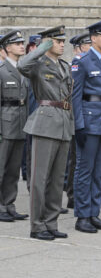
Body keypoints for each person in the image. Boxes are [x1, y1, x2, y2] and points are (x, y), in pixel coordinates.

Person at [17, 26, 74, 240]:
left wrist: (72, 125)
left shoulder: (64, 66)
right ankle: (37, 225)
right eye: (57, 41)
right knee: (39, 179)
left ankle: (51, 222)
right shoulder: (39, 65)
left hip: (64, 123)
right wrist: (42, 48)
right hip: (45, 122)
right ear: (48, 42)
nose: (61, 44)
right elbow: (22, 64)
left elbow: (68, 98)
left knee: (58, 179)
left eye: (62, 41)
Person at [70, 19, 101, 233]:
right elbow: (75, 96)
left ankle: (94, 213)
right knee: (85, 171)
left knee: (99, 172)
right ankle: (82, 216)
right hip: (90, 124)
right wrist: (79, 125)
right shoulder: (82, 61)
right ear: (93, 38)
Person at [0, 30, 30, 223]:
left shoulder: (23, 70)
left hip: (20, 124)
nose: (21, 46)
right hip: (5, 124)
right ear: (7, 48)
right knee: (1, 168)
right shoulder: (2, 70)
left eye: (22, 43)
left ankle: (9, 204)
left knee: (13, 170)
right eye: (17, 43)